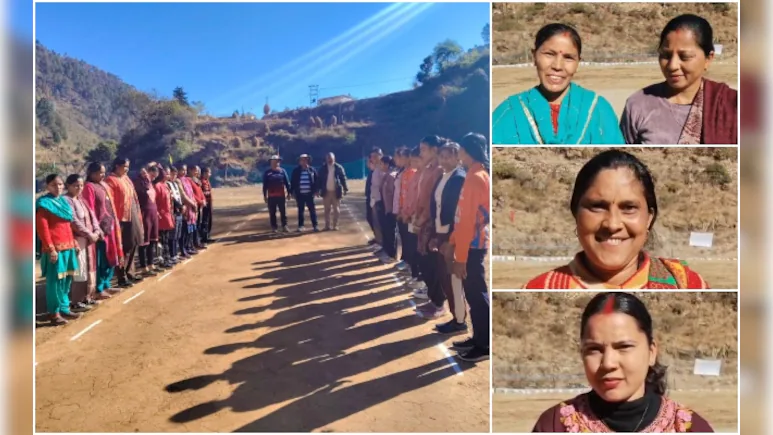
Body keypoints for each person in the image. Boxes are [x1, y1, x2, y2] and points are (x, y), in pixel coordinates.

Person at [523, 150, 710, 289]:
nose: (612, 224)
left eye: (629, 208)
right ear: (576, 213)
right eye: (597, 206)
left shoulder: (685, 283)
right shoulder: (540, 287)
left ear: (648, 218)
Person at [532, 292, 714, 432]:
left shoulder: (688, 427)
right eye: (594, 349)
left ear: (651, 352)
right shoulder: (556, 425)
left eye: (623, 346)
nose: (608, 363)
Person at [492, 23, 624, 145]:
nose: (557, 66)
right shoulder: (509, 112)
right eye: (549, 54)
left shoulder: (599, 110)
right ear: (534, 56)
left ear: (578, 62)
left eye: (568, 58)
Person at [621, 14, 737, 144]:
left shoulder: (732, 105)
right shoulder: (638, 105)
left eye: (685, 56)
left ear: (708, 59)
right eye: (665, 55)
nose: (672, 65)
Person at [449, 133, 490, 362]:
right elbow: (463, 216)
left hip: (473, 247)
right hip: (469, 244)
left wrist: (460, 257)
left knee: (477, 295)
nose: (458, 154)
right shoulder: (474, 174)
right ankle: (478, 338)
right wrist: (454, 240)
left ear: (467, 151)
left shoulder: (475, 177)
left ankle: (484, 345)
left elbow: (467, 221)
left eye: (460, 150)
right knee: (474, 295)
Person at [424, 142, 467, 329]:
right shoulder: (443, 177)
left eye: (448, 156)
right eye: (441, 156)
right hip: (440, 233)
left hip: (451, 236)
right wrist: (434, 234)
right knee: (444, 277)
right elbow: (436, 208)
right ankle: (455, 316)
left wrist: (450, 239)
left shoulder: (459, 178)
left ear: (458, 158)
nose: (444, 160)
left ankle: (459, 320)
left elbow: (455, 212)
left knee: (453, 279)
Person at [36, 174, 81, 325]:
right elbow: (43, 229)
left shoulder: (63, 202)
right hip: (54, 249)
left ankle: (64, 307)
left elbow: (68, 225)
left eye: (61, 184)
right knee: (54, 282)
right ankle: (54, 313)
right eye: (54, 185)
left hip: (68, 246)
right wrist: (50, 249)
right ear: (47, 186)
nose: (58, 187)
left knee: (67, 279)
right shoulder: (43, 204)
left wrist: (74, 241)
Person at [412, 135, 445, 307]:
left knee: (431, 262)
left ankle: (438, 301)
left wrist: (422, 218)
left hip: (431, 222)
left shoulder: (439, 170)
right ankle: (432, 295)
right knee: (424, 260)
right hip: (422, 220)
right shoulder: (428, 168)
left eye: (424, 149)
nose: (420, 153)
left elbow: (432, 200)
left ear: (434, 150)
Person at [81, 162, 122, 297]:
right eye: (100, 172)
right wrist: (96, 229)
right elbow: (90, 209)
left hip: (110, 228)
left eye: (104, 172)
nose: (102, 175)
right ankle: (99, 289)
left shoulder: (103, 185)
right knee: (101, 260)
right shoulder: (89, 187)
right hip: (100, 230)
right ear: (91, 173)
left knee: (110, 257)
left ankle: (106, 284)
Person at [64, 174, 102, 311]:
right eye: (76, 185)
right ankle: (76, 301)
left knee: (89, 268)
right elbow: (74, 221)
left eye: (81, 185)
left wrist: (97, 231)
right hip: (78, 239)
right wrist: (89, 234)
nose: (79, 188)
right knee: (80, 269)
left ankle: (88, 297)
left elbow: (93, 217)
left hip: (90, 239)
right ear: (68, 185)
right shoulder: (66, 200)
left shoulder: (82, 200)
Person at [105, 158, 145, 287]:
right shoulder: (110, 180)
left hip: (132, 214)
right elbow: (109, 202)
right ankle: (121, 276)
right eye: (124, 166)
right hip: (120, 217)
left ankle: (130, 273)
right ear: (117, 166)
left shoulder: (126, 179)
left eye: (128, 166)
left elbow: (134, 197)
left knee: (133, 244)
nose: (126, 169)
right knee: (123, 247)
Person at [398, 147, 423, 289]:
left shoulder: (418, 174)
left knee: (416, 246)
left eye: (416, 160)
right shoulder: (410, 173)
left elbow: (417, 198)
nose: (414, 162)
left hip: (417, 216)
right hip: (409, 215)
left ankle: (419, 277)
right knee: (411, 243)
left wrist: (410, 212)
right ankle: (415, 275)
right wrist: (404, 210)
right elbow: (406, 195)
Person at [134, 166, 161, 276]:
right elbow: (139, 187)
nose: (153, 178)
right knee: (144, 241)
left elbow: (162, 175)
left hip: (153, 214)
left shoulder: (151, 184)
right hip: (144, 214)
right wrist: (143, 176)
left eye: (155, 176)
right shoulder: (141, 182)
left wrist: (157, 165)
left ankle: (151, 264)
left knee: (152, 241)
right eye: (152, 175)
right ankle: (143, 266)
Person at [318, 152, 348, 231]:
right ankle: (327, 226)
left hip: (336, 191)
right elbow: (319, 180)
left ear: (334, 158)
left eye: (331, 158)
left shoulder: (339, 167)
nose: (330, 160)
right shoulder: (323, 168)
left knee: (336, 209)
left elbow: (343, 178)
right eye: (328, 158)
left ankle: (335, 225)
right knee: (326, 210)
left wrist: (345, 188)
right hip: (326, 191)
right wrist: (317, 190)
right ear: (326, 159)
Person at [152, 166, 175, 268]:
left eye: (169, 174)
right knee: (161, 240)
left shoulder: (165, 185)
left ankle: (167, 257)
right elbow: (154, 202)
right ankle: (162, 260)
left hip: (167, 216)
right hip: (161, 217)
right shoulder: (157, 186)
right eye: (166, 173)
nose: (168, 175)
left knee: (166, 238)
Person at [391, 148, 410, 271]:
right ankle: (405, 259)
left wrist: (403, 210)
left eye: (400, 157)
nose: (397, 159)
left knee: (408, 238)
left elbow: (409, 194)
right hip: (399, 208)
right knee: (403, 236)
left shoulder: (410, 172)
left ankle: (409, 262)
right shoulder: (401, 171)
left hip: (406, 211)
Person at [291, 154, 319, 232]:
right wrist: (292, 192)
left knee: (312, 211)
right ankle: (301, 226)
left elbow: (317, 181)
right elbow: (293, 182)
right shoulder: (296, 171)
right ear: (299, 161)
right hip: (300, 195)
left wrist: (316, 191)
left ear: (308, 161)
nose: (304, 161)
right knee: (301, 211)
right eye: (302, 160)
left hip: (310, 194)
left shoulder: (312, 170)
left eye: (305, 160)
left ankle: (315, 225)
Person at [378, 155, 399, 263]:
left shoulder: (392, 176)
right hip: (385, 208)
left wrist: (390, 209)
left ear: (387, 164)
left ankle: (391, 254)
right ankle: (386, 251)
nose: (380, 166)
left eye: (381, 164)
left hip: (390, 209)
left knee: (390, 232)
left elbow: (392, 193)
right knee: (386, 230)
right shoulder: (386, 175)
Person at [262, 155, 291, 233]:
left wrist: (289, 193)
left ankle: (284, 226)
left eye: (277, 161)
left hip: (281, 196)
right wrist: (265, 196)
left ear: (279, 162)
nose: (275, 163)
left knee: (283, 212)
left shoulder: (282, 171)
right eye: (273, 162)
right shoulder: (267, 173)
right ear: (271, 162)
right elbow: (265, 185)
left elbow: (287, 183)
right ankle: (274, 227)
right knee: (272, 212)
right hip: (271, 196)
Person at [176, 164, 199, 255]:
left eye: (185, 170)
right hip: (185, 207)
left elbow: (191, 193)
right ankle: (183, 248)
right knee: (184, 230)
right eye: (182, 170)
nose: (184, 172)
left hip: (191, 207)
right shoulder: (178, 181)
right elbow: (183, 195)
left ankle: (189, 246)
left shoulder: (187, 180)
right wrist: (192, 203)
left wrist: (194, 203)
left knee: (191, 228)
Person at [167, 166, 187, 260]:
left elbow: (179, 196)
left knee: (177, 234)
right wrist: (180, 205)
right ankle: (172, 254)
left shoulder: (175, 183)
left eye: (175, 174)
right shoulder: (167, 184)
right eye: (172, 174)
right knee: (172, 235)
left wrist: (183, 205)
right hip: (174, 211)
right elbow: (173, 198)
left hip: (179, 211)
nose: (174, 176)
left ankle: (176, 253)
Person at [368, 148, 385, 249]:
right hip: (374, 198)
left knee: (380, 222)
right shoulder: (374, 168)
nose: (373, 159)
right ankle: (378, 242)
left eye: (375, 156)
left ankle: (382, 243)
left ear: (381, 155)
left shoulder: (383, 168)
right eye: (372, 157)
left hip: (380, 199)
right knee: (375, 222)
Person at [189, 165, 208, 249]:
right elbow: (192, 194)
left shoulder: (197, 181)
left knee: (198, 224)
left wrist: (203, 199)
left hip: (199, 205)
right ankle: (194, 243)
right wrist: (200, 201)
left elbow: (200, 192)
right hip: (194, 206)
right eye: (195, 171)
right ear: (191, 171)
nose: (197, 172)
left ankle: (197, 241)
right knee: (194, 225)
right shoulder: (189, 181)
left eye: (198, 171)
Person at [200, 167, 214, 243]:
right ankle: (204, 237)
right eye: (209, 172)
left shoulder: (207, 181)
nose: (210, 174)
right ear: (204, 173)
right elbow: (203, 193)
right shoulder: (202, 182)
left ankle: (207, 235)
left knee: (209, 220)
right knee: (205, 220)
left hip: (209, 203)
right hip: (205, 204)